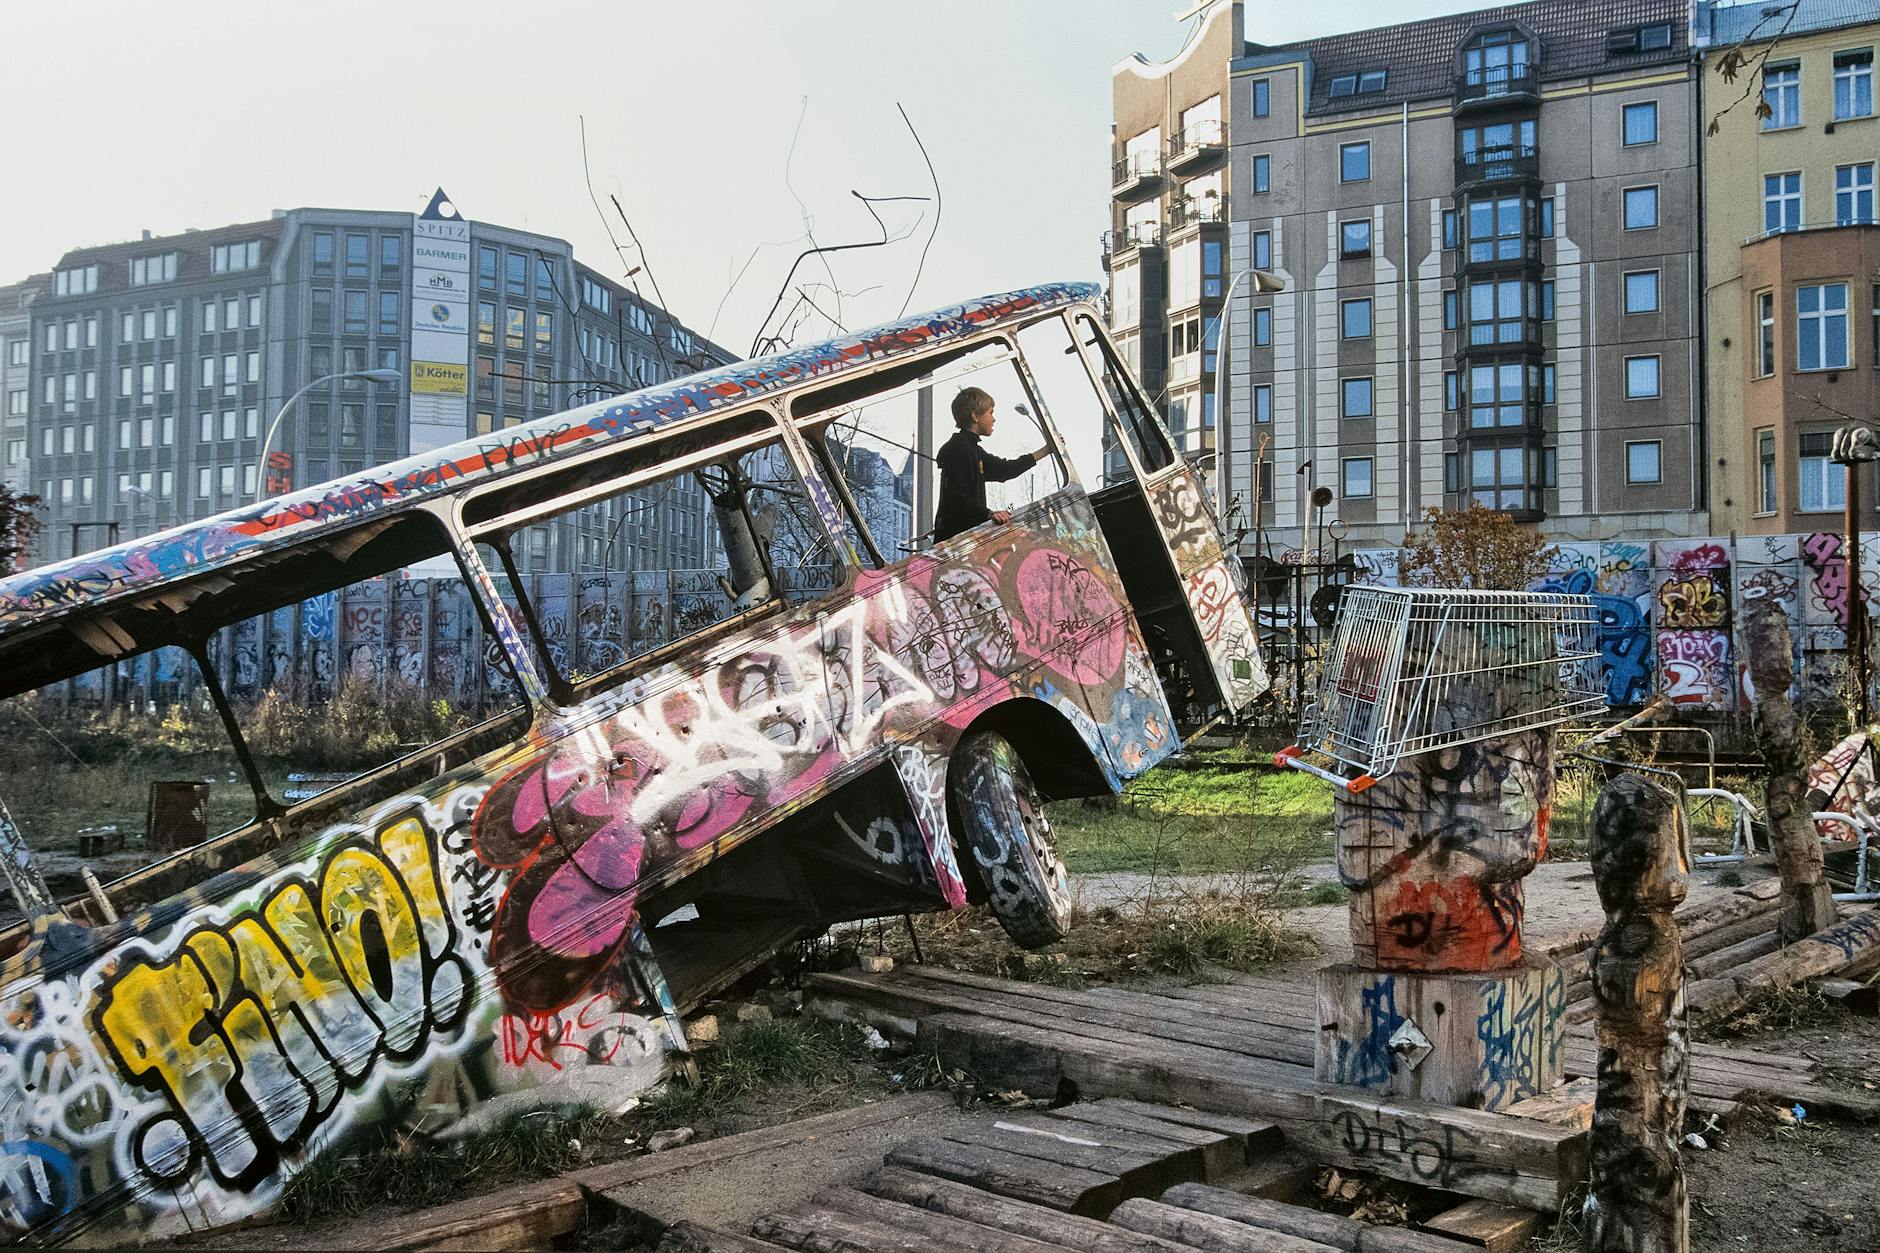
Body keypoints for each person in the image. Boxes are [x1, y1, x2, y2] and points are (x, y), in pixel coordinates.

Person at [932, 387, 1050, 543]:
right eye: (990, 412)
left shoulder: (972, 449)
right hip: (957, 540)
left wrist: (1046, 451)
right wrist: (988, 514)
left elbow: (1005, 470)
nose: (994, 419)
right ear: (975, 416)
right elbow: (957, 496)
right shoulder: (960, 449)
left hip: (963, 539)